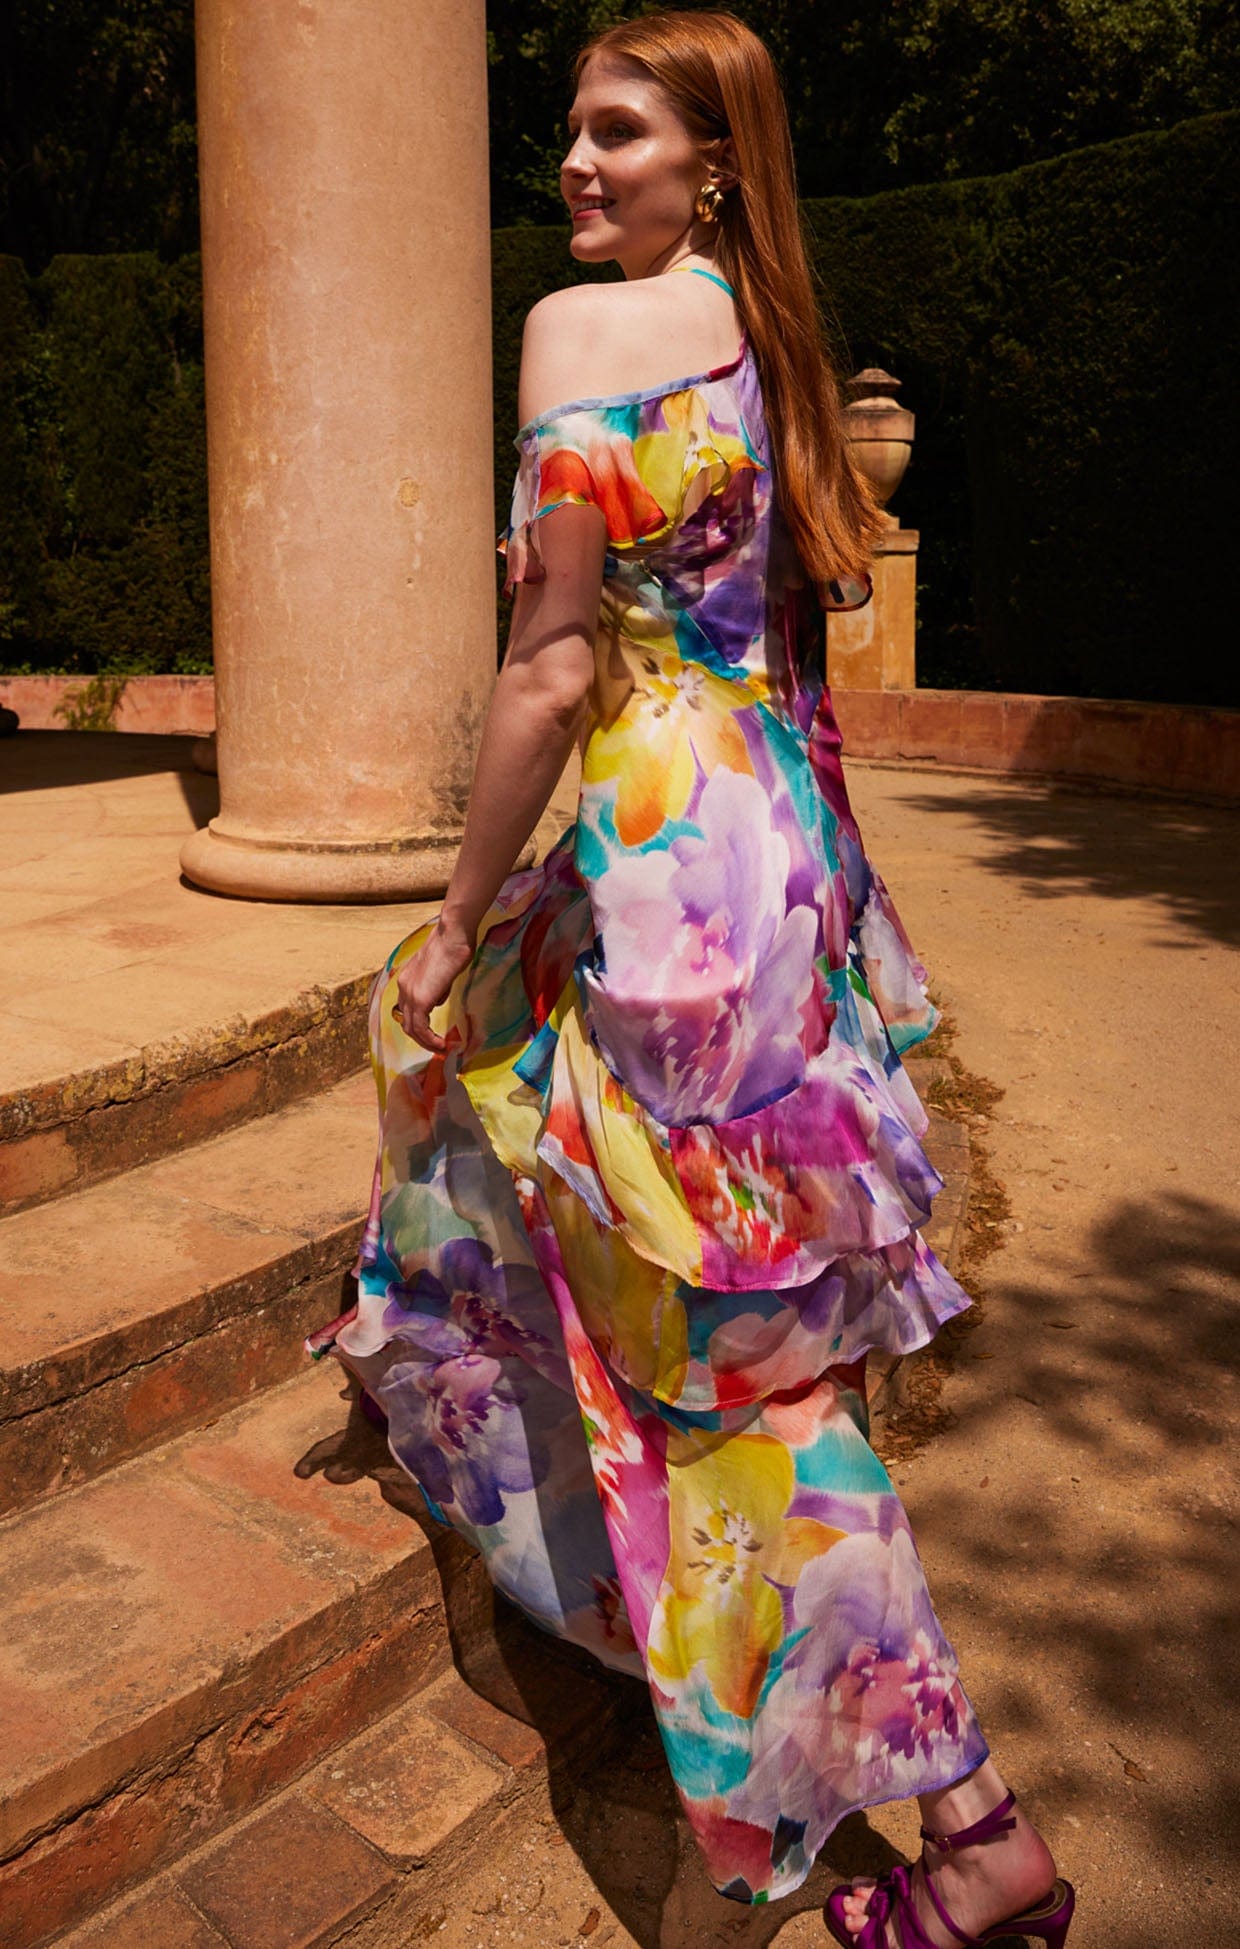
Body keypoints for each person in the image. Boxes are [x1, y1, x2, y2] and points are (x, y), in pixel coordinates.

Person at [308, 12, 1074, 1945]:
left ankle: (977, 1830)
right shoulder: (762, 332)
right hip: (769, 853)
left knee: (738, 1377)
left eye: (622, 131)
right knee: (744, 1327)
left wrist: (458, 906)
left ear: (714, 158)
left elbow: (557, 663)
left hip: (666, 873)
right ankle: (912, 1786)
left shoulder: (581, 334)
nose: (577, 160)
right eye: (571, 128)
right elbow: (783, 668)